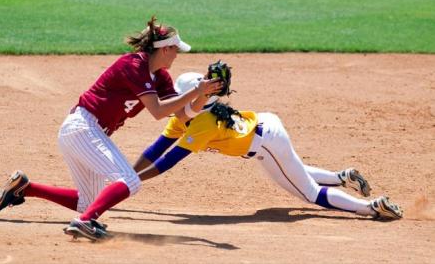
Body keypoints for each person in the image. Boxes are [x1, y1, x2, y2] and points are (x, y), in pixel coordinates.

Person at [0, 17, 223, 241]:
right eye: (175, 49)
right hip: (82, 127)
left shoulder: (161, 77)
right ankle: (85, 222)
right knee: (130, 180)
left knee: (87, 201)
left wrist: (203, 94)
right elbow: (158, 111)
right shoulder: (133, 64)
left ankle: (25, 188)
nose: (177, 54)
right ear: (164, 49)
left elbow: (183, 115)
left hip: (90, 133)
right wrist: (194, 92)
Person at [133, 72, 404, 220]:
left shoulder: (202, 123)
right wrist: (128, 174)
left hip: (267, 142)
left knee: (309, 194)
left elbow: (168, 161)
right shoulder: (185, 117)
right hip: (265, 127)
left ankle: (371, 207)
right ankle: (341, 177)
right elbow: (157, 149)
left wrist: (134, 181)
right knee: (291, 169)